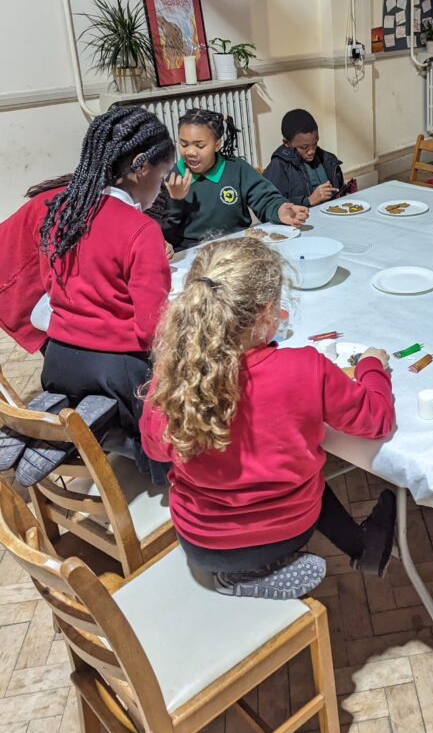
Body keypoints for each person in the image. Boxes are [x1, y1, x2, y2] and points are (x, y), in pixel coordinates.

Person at [140, 237, 397, 599]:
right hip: (285, 531)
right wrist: (372, 366)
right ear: (267, 313)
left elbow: (156, 449)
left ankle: (239, 574)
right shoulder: (304, 369)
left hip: (199, 538)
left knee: (292, 473)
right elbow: (377, 420)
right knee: (303, 473)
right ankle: (249, 578)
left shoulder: (175, 376)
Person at [38, 107, 176, 481]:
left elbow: (50, 285)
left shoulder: (63, 211)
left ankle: (72, 425)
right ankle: (143, 453)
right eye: (162, 177)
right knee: (178, 400)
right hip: (118, 372)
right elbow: (152, 328)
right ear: (141, 168)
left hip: (59, 360)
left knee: (97, 401)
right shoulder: (140, 230)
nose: (161, 189)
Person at [164, 108, 308, 250]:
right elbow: (165, 232)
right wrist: (176, 201)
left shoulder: (236, 168)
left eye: (199, 145)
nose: (190, 152)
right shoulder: (174, 177)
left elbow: (264, 198)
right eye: (184, 144)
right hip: (194, 251)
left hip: (238, 245)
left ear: (217, 145)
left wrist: (279, 209)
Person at [0, 176, 71, 354]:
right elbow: (58, 300)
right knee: (65, 349)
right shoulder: (65, 208)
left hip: (31, 272)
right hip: (14, 276)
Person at [263, 109, 348, 207]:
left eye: (315, 144)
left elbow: (337, 192)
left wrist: (344, 189)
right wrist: (308, 201)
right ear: (287, 143)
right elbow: (269, 205)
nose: (311, 151)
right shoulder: (279, 165)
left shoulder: (328, 160)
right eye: (304, 147)